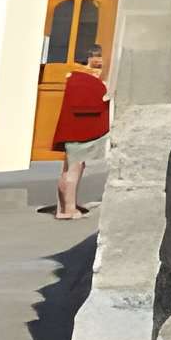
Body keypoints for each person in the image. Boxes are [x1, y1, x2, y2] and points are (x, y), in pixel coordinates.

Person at [50, 48, 109, 220]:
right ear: (91, 59)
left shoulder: (73, 77)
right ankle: (69, 209)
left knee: (68, 169)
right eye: (97, 59)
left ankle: (63, 208)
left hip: (72, 128)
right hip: (82, 129)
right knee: (74, 169)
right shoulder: (85, 79)